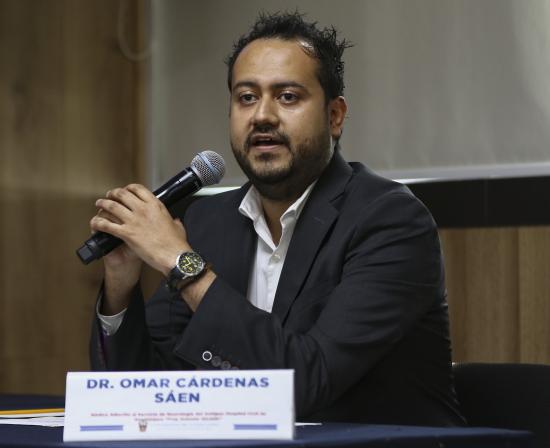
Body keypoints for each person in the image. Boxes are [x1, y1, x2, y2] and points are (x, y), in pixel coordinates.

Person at [89, 11, 465, 426]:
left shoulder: (390, 220)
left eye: (287, 97)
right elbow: (145, 389)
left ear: (335, 116)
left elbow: (306, 383)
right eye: (246, 97)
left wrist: (183, 264)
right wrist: (121, 286)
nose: (262, 116)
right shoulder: (210, 221)